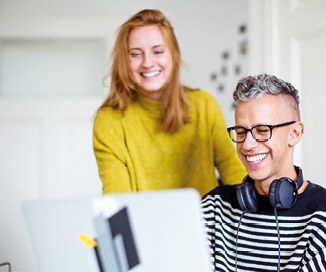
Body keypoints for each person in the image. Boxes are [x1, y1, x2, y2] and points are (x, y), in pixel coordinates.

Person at [201, 74, 326, 272]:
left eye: (262, 131)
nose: (247, 145)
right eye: (241, 132)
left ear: (294, 134)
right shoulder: (214, 207)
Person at [93, 9, 246, 196]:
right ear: (124, 60)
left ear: (173, 54)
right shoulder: (109, 120)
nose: (148, 63)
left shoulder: (203, 105)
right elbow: (117, 197)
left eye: (157, 51)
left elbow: (234, 171)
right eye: (136, 54)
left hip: (207, 224)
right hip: (144, 224)